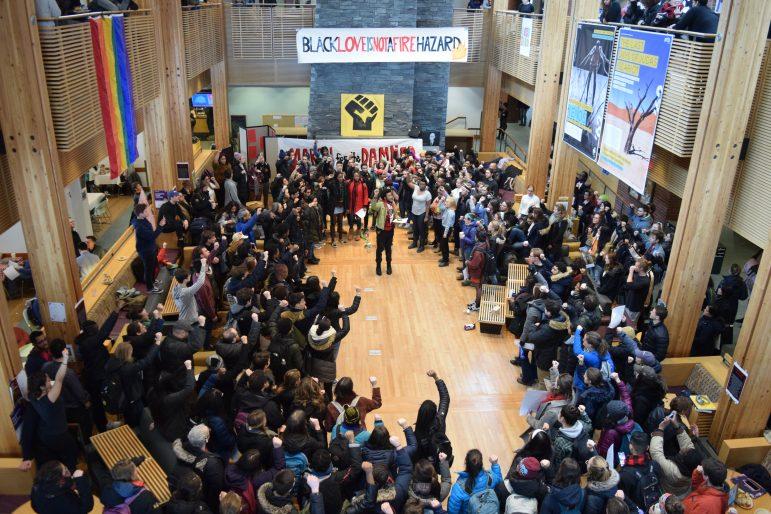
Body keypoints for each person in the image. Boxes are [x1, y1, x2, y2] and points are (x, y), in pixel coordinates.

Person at [25, 348, 79, 472]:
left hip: (46, 435)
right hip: (59, 435)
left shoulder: (32, 396)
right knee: (70, 456)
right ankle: (71, 476)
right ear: (42, 386)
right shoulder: (50, 399)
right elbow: (59, 378)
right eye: (48, 380)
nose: (51, 381)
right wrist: (65, 359)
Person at [104, 335, 161, 428]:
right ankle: (136, 433)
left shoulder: (111, 363)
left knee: (128, 416)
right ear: (128, 354)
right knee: (139, 420)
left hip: (121, 398)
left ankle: (126, 424)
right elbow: (147, 360)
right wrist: (157, 344)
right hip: (132, 399)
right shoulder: (128, 368)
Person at [42, 339, 92, 441]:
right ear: (65, 351)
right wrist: (86, 402)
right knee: (85, 429)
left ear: (51, 352)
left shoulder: (45, 367)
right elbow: (79, 393)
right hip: (74, 408)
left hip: (57, 407)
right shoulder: (68, 373)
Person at [173, 424, 226, 511]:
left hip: (185, 486)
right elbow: (214, 492)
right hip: (200, 499)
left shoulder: (181, 448)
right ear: (206, 439)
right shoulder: (213, 464)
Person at [413, 370, 451, 465]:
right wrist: (436, 377)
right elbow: (445, 398)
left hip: (424, 463)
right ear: (434, 413)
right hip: (438, 457)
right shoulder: (440, 420)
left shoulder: (417, 433)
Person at [618, 432, 663, 512]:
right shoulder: (655, 465)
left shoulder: (624, 475)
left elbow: (623, 498)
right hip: (656, 508)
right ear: (647, 447)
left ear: (630, 446)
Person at [447, 449, 502, 514]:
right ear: (481, 463)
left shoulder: (459, 488)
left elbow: (453, 511)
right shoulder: (491, 477)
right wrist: (495, 464)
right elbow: (499, 479)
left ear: (466, 463)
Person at [133, 203, 166, 293]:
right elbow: (152, 236)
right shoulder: (139, 227)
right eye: (146, 211)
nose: (148, 211)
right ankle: (150, 288)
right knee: (148, 269)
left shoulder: (143, 219)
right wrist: (161, 226)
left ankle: (152, 281)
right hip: (146, 251)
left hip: (151, 247)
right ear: (140, 214)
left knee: (154, 265)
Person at [369, 187, 397, 275]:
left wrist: (398, 219)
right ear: (385, 197)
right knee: (380, 249)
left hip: (390, 230)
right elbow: (372, 208)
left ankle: (389, 265)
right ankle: (378, 266)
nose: (391, 196)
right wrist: (375, 196)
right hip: (381, 230)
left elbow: (394, 215)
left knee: (389, 248)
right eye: (389, 195)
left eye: (392, 195)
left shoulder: (393, 204)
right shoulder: (381, 204)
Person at [408, 179, 433, 253]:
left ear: (426, 185)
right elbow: (408, 181)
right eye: (420, 184)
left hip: (422, 213)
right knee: (415, 228)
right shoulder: (416, 188)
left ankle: (421, 245)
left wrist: (426, 216)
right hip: (414, 212)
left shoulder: (427, 193)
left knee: (422, 230)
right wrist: (408, 175)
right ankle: (414, 243)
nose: (422, 185)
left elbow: (428, 206)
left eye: (423, 184)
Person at [438, 196, 456, 267]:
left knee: (444, 245)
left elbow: (448, 224)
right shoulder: (447, 209)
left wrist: (445, 233)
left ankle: (446, 261)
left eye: (447, 202)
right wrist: (441, 201)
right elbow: (439, 208)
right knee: (443, 245)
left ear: (451, 204)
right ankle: (444, 257)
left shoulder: (450, 212)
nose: (445, 203)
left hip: (447, 229)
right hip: (444, 227)